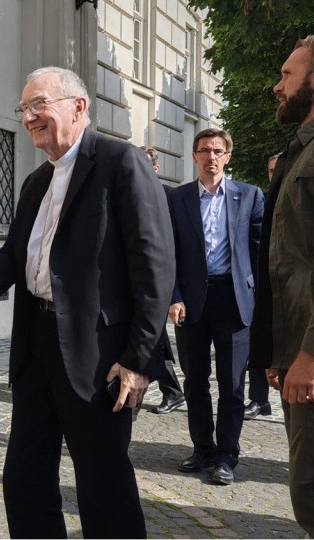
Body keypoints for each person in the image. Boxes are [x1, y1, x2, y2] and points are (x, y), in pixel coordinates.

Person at [0, 66, 174, 538]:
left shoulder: (121, 163)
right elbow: (13, 253)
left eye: (39, 105)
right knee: (25, 478)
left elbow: (154, 270)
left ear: (78, 107)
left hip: (98, 356)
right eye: (24, 108)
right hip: (36, 347)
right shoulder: (37, 181)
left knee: (103, 485)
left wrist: (139, 359)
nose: (29, 116)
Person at [251, 32, 314, 538]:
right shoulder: (308, 145)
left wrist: (312, 354)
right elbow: (290, 259)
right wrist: (282, 353)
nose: (277, 85)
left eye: (287, 74)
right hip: (309, 354)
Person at [168, 128, 264, 486]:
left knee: (232, 384)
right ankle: (202, 448)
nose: (211, 157)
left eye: (218, 151)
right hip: (191, 302)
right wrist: (173, 296)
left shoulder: (250, 196)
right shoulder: (176, 200)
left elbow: (259, 253)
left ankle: (227, 456)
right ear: (194, 156)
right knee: (194, 381)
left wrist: (259, 302)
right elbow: (169, 254)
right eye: (205, 150)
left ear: (228, 157)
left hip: (234, 300)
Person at [142, 146, 186, 416]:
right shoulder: (123, 192)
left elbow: (177, 246)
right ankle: (170, 390)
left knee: (154, 337)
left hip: (160, 281)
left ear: (156, 169)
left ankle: (172, 391)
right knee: (150, 337)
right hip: (134, 280)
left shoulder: (170, 197)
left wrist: (174, 294)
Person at [242, 153, 281, 421]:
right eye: (270, 171)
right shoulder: (262, 201)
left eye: (277, 170)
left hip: (291, 284)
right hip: (262, 281)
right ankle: (259, 399)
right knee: (258, 341)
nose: (273, 175)